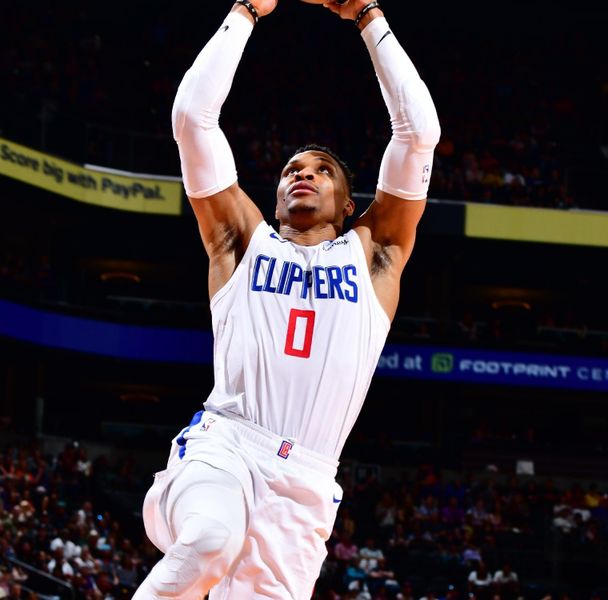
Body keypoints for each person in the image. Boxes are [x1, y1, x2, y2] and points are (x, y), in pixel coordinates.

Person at [134, 0, 439, 598]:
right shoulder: (241, 241)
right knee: (209, 542)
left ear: (349, 204)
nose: (303, 173)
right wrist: (246, 11)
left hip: (305, 482)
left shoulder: (376, 255)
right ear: (274, 198)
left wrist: (369, 16)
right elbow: (194, 120)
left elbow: (419, 133)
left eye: (322, 169)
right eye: (292, 169)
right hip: (225, 446)